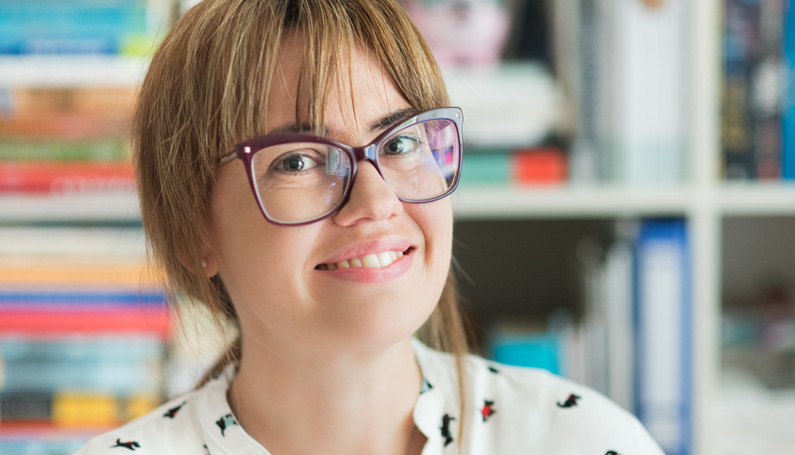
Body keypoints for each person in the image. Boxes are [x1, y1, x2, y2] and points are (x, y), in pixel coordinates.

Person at [75, 0, 664, 454]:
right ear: (192, 232)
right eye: (299, 160)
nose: (377, 201)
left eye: (403, 140)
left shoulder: (583, 440)